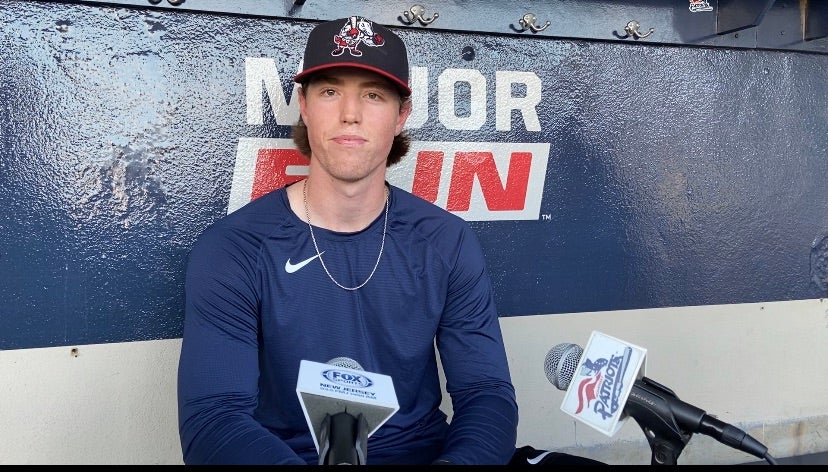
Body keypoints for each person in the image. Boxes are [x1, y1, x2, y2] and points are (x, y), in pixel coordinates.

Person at [176, 16, 519, 465]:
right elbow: (212, 420)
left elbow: (486, 393)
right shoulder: (235, 249)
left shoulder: (445, 241)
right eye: (330, 91)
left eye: (373, 95)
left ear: (401, 115)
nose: (350, 113)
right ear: (304, 105)